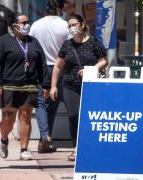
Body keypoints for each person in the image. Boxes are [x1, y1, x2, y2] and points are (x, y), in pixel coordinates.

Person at [0, 14, 50, 160]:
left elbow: (42, 64)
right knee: (8, 118)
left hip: (29, 85)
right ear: (15, 25)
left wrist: (46, 85)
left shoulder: (33, 42)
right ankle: (4, 139)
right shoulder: (3, 41)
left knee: (25, 117)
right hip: (9, 85)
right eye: (24, 22)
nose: (27, 24)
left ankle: (24, 149)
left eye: (28, 22)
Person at [50, 14, 108, 161]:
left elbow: (104, 61)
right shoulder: (67, 44)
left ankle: (90, 147)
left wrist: (92, 69)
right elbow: (57, 66)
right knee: (73, 116)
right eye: (69, 26)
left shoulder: (94, 42)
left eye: (75, 24)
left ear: (82, 24)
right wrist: (53, 86)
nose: (72, 28)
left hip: (91, 85)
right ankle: (76, 147)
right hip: (70, 84)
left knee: (89, 117)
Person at [29, 0, 70, 153]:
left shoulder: (36, 25)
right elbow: (70, 49)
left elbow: (30, 46)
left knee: (41, 102)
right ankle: (46, 136)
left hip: (40, 68)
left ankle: (45, 137)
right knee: (52, 103)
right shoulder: (65, 26)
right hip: (58, 69)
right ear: (60, 9)